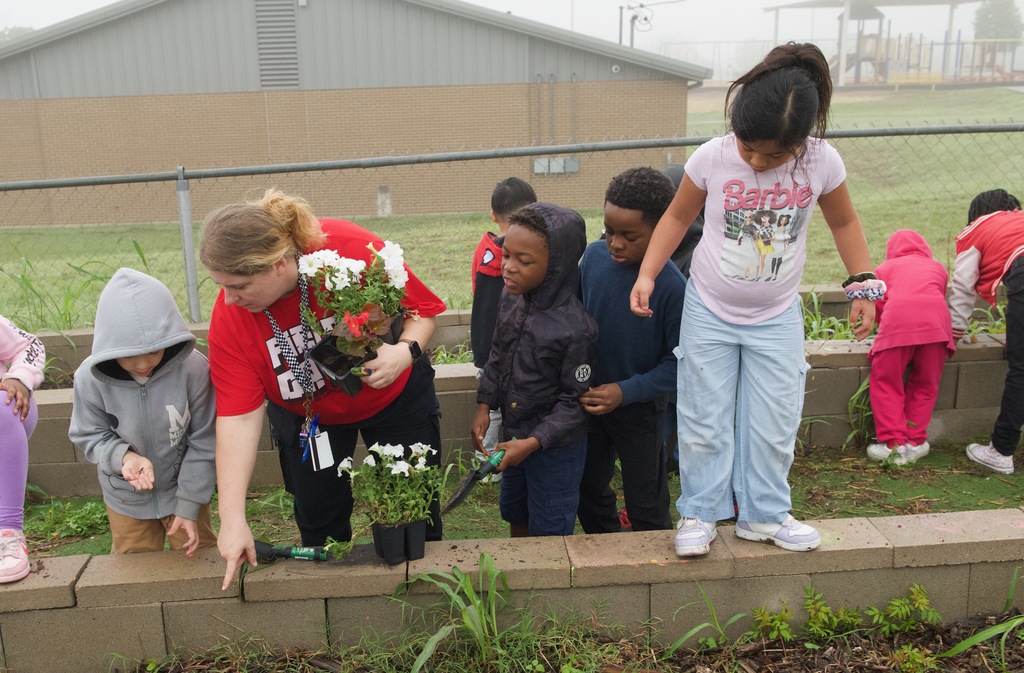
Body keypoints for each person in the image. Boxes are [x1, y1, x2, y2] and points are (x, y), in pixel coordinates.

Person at [630, 42, 878, 557]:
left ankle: (764, 516)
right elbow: (676, 218)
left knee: (774, 420)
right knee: (703, 417)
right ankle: (699, 513)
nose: (758, 161)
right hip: (709, 310)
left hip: (775, 316)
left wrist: (862, 283)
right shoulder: (713, 156)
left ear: (802, 140)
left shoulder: (823, 163)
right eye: (750, 147)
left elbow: (845, 222)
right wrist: (648, 274)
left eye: (774, 154)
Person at [200, 189, 447, 590]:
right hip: (309, 418)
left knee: (412, 514)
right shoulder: (230, 320)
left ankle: (423, 597)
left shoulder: (346, 249)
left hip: (394, 395)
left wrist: (405, 352)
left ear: (279, 265)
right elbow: (239, 419)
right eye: (221, 285)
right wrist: (232, 520)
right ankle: (331, 600)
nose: (228, 298)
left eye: (239, 285)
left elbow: (422, 310)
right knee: (319, 518)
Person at [69, 268, 217, 555]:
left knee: (198, 560)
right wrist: (124, 456)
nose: (142, 364)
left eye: (154, 351)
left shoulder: (194, 370)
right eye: (128, 356)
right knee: (133, 571)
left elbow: (205, 439)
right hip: (126, 499)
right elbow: (89, 433)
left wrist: (189, 503)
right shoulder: (89, 378)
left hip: (185, 494)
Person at [472, 203, 598, 537]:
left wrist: (532, 443)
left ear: (555, 265)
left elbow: (575, 404)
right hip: (514, 435)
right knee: (516, 509)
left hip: (554, 449)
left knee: (550, 524)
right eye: (506, 255)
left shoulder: (576, 329)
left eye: (523, 261)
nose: (508, 268)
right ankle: (520, 572)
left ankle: (546, 586)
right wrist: (484, 404)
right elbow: (498, 351)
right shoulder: (511, 297)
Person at [577, 167, 686, 534]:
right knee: (587, 487)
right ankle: (607, 547)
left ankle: (656, 571)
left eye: (629, 235)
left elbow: (678, 364)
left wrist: (625, 391)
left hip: (639, 410)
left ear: (661, 231)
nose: (615, 243)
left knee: (646, 500)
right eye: (609, 231)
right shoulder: (592, 260)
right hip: (589, 403)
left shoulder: (671, 287)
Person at [949, 189, 1024, 475]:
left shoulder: (976, 230)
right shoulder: (1019, 219)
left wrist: (955, 332)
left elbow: (963, 287)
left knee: (1021, 369)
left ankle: (1001, 451)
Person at [866, 230, 955, 464]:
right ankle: (915, 442)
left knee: (886, 381)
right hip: (937, 329)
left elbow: (878, 306)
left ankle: (894, 445)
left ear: (891, 251)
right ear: (925, 248)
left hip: (898, 327)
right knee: (926, 384)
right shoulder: (938, 267)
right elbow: (936, 295)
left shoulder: (884, 269)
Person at [471, 177, 537, 482]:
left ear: (493, 215)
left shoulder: (482, 251)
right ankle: (489, 470)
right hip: (507, 346)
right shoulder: (524, 257)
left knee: (489, 407)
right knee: (500, 409)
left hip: (482, 345)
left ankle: (486, 467)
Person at [0, 316, 44, 583]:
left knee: (2, 406)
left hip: (6, 414)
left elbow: (30, 346)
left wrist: (19, 377)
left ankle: (9, 533)